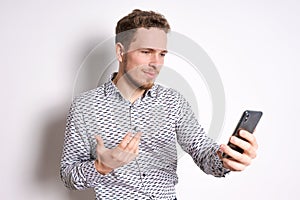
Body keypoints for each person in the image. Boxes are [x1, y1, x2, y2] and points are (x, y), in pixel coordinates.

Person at [60, 9, 258, 200]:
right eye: (146, 52)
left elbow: (204, 153)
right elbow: (68, 175)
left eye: (162, 54)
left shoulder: (174, 102)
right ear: (121, 52)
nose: (156, 63)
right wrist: (102, 166)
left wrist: (227, 159)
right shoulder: (84, 107)